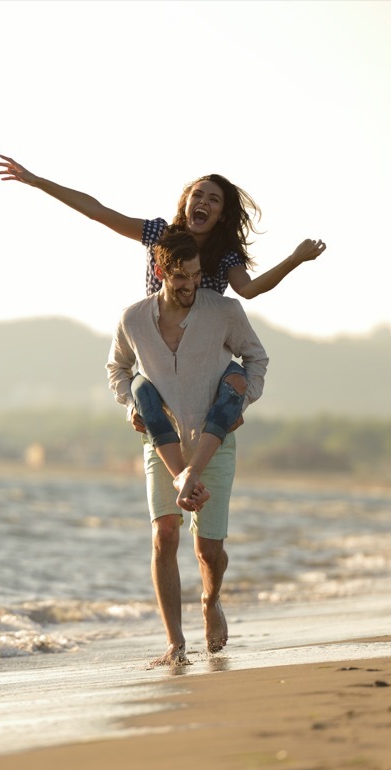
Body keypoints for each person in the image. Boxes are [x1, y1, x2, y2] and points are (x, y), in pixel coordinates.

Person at [0, 155, 321, 507]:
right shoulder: (160, 235)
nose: (203, 203)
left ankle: (191, 474)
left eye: (214, 200)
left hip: (204, 359)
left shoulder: (224, 256)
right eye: (198, 195)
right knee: (141, 392)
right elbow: (99, 212)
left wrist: (294, 259)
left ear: (222, 215)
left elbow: (250, 289)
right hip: (160, 350)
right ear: (186, 201)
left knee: (235, 382)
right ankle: (185, 477)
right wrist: (37, 181)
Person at [106, 226, 268, 666]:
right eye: (180, 277)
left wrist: (243, 398)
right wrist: (129, 404)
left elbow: (256, 357)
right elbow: (118, 369)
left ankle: (211, 600)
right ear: (160, 271)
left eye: (196, 276)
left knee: (207, 550)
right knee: (164, 534)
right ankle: (176, 644)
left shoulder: (224, 311)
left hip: (213, 444)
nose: (189, 286)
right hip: (162, 444)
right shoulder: (134, 319)